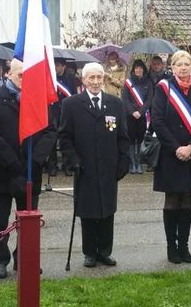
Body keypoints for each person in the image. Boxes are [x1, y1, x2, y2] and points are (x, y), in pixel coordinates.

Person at [0, 58, 56, 279]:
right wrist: (12, 162)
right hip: (1, 171)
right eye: (21, 75)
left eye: (29, 75)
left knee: (28, 220)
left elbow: (51, 131)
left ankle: (25, 258)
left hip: (30, 171)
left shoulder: (39, 98)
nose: (25, 79)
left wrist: (34, 161)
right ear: (8, 74)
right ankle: (0, 259)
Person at [59, 62, 130, 268]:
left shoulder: (115, 104)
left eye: (99, 77)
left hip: (109, 167)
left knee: (107, 210)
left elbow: (123, 136)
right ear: (84, 80)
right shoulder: (71, 104)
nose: (96, 82)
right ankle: (90, 252)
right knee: (88, 211)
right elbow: (64, 137)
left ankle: (104, 251)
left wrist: (123, 160)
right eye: (92, 78)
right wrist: (73, 161)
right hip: (85, 168)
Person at [151, 50, 191, 264]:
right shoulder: (163, 89)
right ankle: (171, 247)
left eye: (187, 64)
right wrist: (177, 148)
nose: (183, 68)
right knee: (172, 200)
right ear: (172, 68)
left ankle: (184, 246)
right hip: (170, 154)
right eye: (179, 64)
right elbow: (157, 121)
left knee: (187, 199)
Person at [121, 59, 153, 174]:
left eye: (140, 68)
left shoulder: (148, 83)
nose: (138, 70)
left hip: (142, 116)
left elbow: (149, 99)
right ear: (133, 70)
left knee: (139, 139)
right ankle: (132, 162)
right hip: (130, 115)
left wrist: (141, 111)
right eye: (136, 68)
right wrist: (132, 111)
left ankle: (138, 161)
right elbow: (125, 99)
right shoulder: (128, 82)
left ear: (143, 70)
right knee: (130, 139)